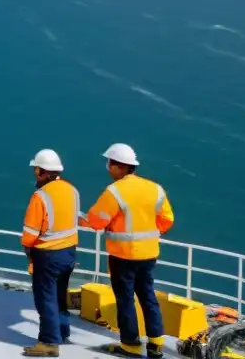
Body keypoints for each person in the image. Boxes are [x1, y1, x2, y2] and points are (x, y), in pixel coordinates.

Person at [80, 144, 175, 358]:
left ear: (118, 166)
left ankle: (130, 345)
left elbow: (96, 220)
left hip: (123, 255)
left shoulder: (115, 191)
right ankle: (156, 344)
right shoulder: (155, 188)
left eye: (109, 164)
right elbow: (168, 219)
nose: (108, 168)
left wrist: (85, 221)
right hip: (149, 254)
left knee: (125, 299)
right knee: (148, 296)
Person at [20, 149, 80, 358]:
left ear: (41, 171)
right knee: (59, 296)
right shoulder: (72, 190)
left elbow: (30, 234)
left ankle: (48, 342)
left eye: (36, 169)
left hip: (48, 255)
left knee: (45, 297)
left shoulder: (40, 196)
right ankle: (62, 332)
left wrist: (28, 248)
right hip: (69, 253)